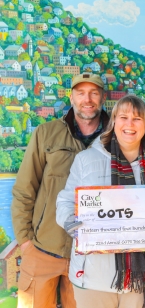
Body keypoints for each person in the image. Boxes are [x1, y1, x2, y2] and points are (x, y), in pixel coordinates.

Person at [56, 95, 145, 308]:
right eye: (123, 117)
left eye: (137, 119)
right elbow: (66, 200)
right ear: (114, 122)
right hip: (94, 277)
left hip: (143, 279)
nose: (129, 124)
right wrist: (69, 221)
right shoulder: (86, 159)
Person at [11, 73, 109, 308]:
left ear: (103, 97)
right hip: (44, 250)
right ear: (71, 97)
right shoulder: (46, 133)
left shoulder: (115, 138)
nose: (88, 99)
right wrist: (25, 242)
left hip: (91, 258)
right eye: (81, 92)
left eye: (94, 93)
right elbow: (25, 189)